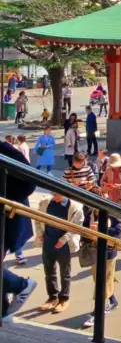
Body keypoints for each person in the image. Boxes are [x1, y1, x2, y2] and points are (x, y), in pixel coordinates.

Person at [1, 137, 38, 323]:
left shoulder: (3, 148)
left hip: (7, 217)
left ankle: (21, 285)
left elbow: (29, 181)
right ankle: (4, 312)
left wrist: (5, 198)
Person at [34, 192, 84, 313]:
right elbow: (37, 219)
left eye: (57, 194)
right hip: (48, 242)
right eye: (53, 194)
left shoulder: (74, 207)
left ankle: (64, 299)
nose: (54, 196)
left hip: (64, 245)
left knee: (65, 273)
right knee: (49, 272)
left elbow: (76, 226)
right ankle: (52, 297)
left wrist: (63, 240)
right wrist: (40, 234)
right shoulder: (46, 203)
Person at [80, 204, 121, 328]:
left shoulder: (112, 213)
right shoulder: (90, 214)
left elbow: (119, 231)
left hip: (108, 253)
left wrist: (102, 228)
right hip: (95, 252)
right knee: (98, 279)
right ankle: (113, 301)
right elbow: (84, 228)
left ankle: (97, 313)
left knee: (103, 281)